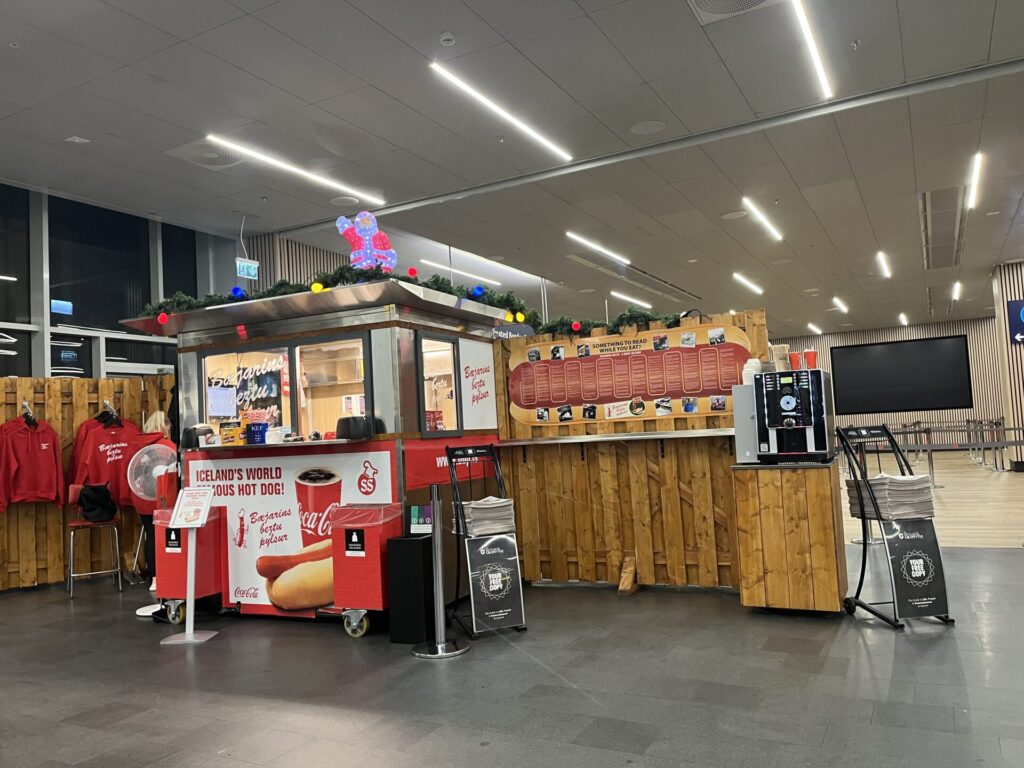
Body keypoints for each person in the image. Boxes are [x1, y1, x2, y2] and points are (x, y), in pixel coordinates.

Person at [141, 411, 173, 591]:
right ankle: (166, 574)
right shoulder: (168, 446)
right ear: (165, 427)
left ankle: (154, 577)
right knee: (165, 538)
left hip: (143, 498)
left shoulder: (139, 446)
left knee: (150, 536)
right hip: (164, 498)